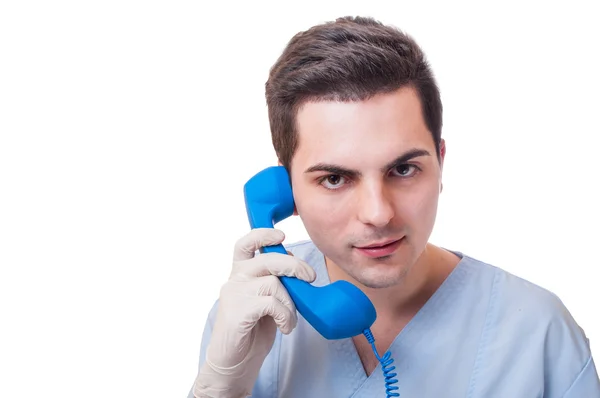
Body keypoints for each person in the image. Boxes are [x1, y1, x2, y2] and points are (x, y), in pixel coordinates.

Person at [187, 16, 600, 397]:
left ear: (440, 161)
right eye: (335, 178)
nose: (379, 213)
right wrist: (217, 388)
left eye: (403, 169)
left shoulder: (539, 334)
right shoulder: (249, 314)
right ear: (287, 188)